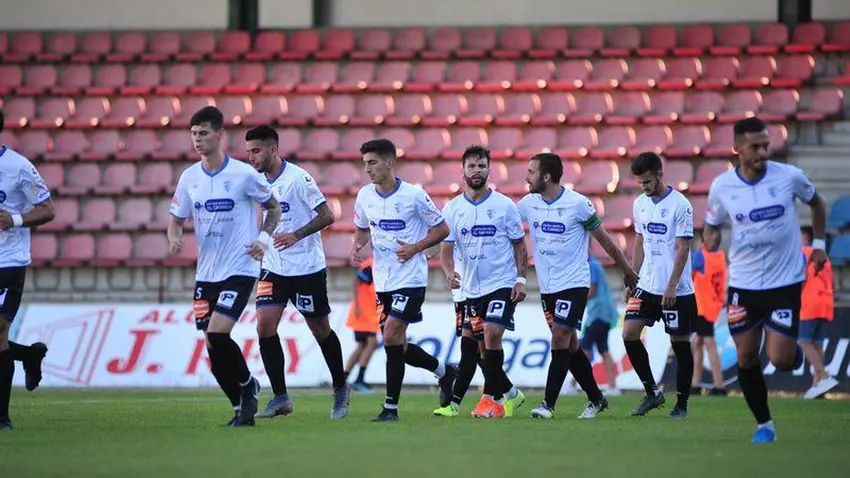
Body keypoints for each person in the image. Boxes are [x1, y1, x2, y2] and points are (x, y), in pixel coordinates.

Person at [704, 116, 827, 443]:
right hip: (742, 284)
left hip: (784, 282)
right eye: (755, 147)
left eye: (765, 145)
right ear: (737, 149)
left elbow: (818, 204)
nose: (762, 152)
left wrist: (819, 245)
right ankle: (765, 425)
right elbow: (712, 224)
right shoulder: (722, 187)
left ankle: (792, 354)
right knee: (745, 356)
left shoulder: (789, 177)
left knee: (781, 359)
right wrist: (711, 238)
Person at [167, 107, 282, 427]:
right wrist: (174, 237)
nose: (197, 139)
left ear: (219, 135)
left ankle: (247, 385)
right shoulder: (189, 177)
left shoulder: (243, 175)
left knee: (218, 334)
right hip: (206, 273)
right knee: (211, 345)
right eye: (193, 134)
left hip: (240, 268)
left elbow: (273, 208)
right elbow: (175, 220)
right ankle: (240, 408)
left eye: (203, 133)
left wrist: (263, 239)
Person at [518, 152, 639, 420]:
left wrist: (627, 270)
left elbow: (605, 240)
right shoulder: (527, 204)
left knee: (560, 336)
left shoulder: (578, 205)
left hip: (574, 283)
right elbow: (506, 227)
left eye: (531, 172)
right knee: (571, 346)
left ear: (546, 176)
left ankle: (548, 404)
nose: (526, 177)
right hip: (547, 288)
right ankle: (596, 398)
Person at [243, 125, 350, 419]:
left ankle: (340, 386)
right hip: (273, 267)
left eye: (256, 151)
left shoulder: (298, 179)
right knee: (264, 327)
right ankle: (280, 398)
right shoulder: (256, 181)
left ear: (273, 149)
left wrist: (296, 235)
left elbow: (327, 215)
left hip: (306, 269)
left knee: (320, 329)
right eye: (248, 151)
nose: (251, 157)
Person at [350, 138, 457, 422]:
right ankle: (445, 372)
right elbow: (362, 228)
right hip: (382, 281)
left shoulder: (414, 196)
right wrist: (357, 246)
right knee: (397, 344)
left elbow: (442, 229)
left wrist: (415, 248)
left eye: (372, 162)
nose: (368, 169)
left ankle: (390, 409)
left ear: (389, 163)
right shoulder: (365, 196)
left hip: (411, 279)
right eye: (365, 164)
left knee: (391, 336)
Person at [436, 145, 528, 419]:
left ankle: (493, 400)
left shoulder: (504, 206)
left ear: (489, 169)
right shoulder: (452, 208)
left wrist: (521, 279)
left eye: (482, 166)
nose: (477, 171)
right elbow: (445, 249)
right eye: (472, 166)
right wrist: (449, 272)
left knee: (491, 334)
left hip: (501, 283)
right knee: (477, 347)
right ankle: (509, 394)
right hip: (471, 289)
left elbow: (520, 245)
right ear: (463, 170)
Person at [624, 152, 696, 419]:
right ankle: (652, 392)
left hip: (676, 288)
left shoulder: (681, 205)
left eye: (647, 181)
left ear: (660, 175)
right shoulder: (640, 204)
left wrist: (672, 286)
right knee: (629, 333)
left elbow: (683, 248)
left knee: (679, 343)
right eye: (640, 183)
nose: (643, 187)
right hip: (647, 284)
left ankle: (682, 404)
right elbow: (639, 240)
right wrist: (633, 276)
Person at [0, 109, 55, 432]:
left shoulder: (18, 167)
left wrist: (15, 220)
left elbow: (48, 209)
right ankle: (30, 356)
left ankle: (2, 418)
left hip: (8, 261)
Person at [799, 226, 839, 399]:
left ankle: (824, 375)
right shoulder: (824, 257)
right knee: (816, 344)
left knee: (804, 341)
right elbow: (833, 283)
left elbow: (800, 278)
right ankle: (817, 386)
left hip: (811, 302)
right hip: (826, 303)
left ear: (806, 238)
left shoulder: (803, 253)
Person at [690, 234, 728, 396]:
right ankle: (695, 384)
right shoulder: (720, 257)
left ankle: (719, 386)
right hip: (714, 304)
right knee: (697, 343)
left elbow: (689, 277)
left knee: (709, 344)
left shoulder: (700, 256)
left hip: (702, 306)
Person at [580, 255, 621, 396]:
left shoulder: (591, 265)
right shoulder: (595, 264)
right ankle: (613, 387)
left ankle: (578, 383)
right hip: (605, 313)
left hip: (598, 312)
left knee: (584, 347)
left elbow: (592, 291)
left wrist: (576, 300)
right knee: (604, 349)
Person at [344, 254, 381, 393]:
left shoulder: (377, 264)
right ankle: (359, 380)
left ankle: (343, 379)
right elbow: (356, 282)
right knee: (372, 343)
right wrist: (358, 306)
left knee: (362, 345)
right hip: (364, 311)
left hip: (369, 311)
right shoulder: (371, 265)